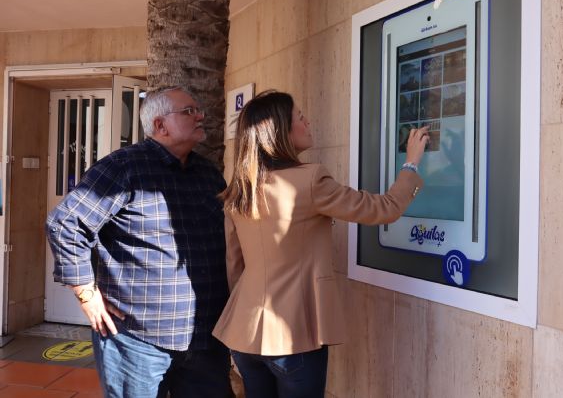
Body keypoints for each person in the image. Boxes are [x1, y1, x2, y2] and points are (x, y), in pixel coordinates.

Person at [213, 90, 429, 398]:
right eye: (300, 117)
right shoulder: (311, 179)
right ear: (280, 132)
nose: (308, 122)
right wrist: (411, 164)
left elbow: (235, 265)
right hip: (293, 334)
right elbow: (385, 209)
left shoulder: (240, 190)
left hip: (244, 332)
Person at [46, 86, 231, 398]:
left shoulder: (208, 174)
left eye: (198, 109)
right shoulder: (123, 168)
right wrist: (86, 294)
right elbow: (65, 223)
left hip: (205, 337)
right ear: (160, 125)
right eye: (189, 111)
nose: (200, 116)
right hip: (137, 341)